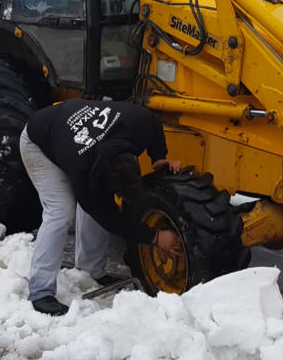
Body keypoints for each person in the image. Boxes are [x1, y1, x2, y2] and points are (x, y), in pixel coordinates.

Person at [19, 100, 183, 316]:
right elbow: (107, 216)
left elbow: (154, 121)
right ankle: (40, 292)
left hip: (67, 128)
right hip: (37, 141)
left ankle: (90, 271)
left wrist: (158, 157)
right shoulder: (81, 171)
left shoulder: (139, 123)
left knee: (96, 202)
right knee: (61, 212)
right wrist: (154, 237)